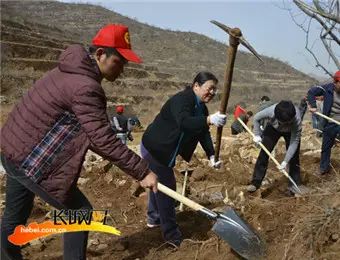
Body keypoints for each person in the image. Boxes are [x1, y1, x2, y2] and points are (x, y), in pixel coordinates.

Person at [0, 24, 158, 260]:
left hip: (12, 150)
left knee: (14, 218)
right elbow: (101, 137)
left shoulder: (68, 71)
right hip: (31, 159)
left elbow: (92, 133)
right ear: (100, 54)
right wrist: (142, 171)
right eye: (119, 61)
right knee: (81, 213)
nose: (122, 69)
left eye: (125, 63)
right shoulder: (86, 87)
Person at [140, 71, 227, 246]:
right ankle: (172, 236)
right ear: (196, 86)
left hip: (163, 151)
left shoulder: (201, 107)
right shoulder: (182, 100)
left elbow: (203, 133)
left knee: (160, 186)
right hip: (155, 148)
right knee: (167, 190)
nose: (212, 93)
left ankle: (154, 218)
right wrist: (209, 119)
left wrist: (211, 155)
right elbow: (184, 122)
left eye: (214, 90)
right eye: (209, 88)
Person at [246, 100, 305, 195]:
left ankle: (294, 185)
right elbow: (256, 118)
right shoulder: (271, 111)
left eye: (287, 123)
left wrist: (285, 161)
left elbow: (294, 143)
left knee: (294, 158)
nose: (284, 125)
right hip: (273, 129)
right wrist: (256, 134)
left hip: (290, 133)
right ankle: (256, 182)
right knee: (264, 154)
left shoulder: (297, 121)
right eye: (282, 123)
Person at [307, 70, 340, 175]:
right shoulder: (327, 89)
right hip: (330, 121)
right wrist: (313, 106)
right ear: (335, 82)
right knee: (326, 147)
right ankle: (324, 168)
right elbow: (311, 92)